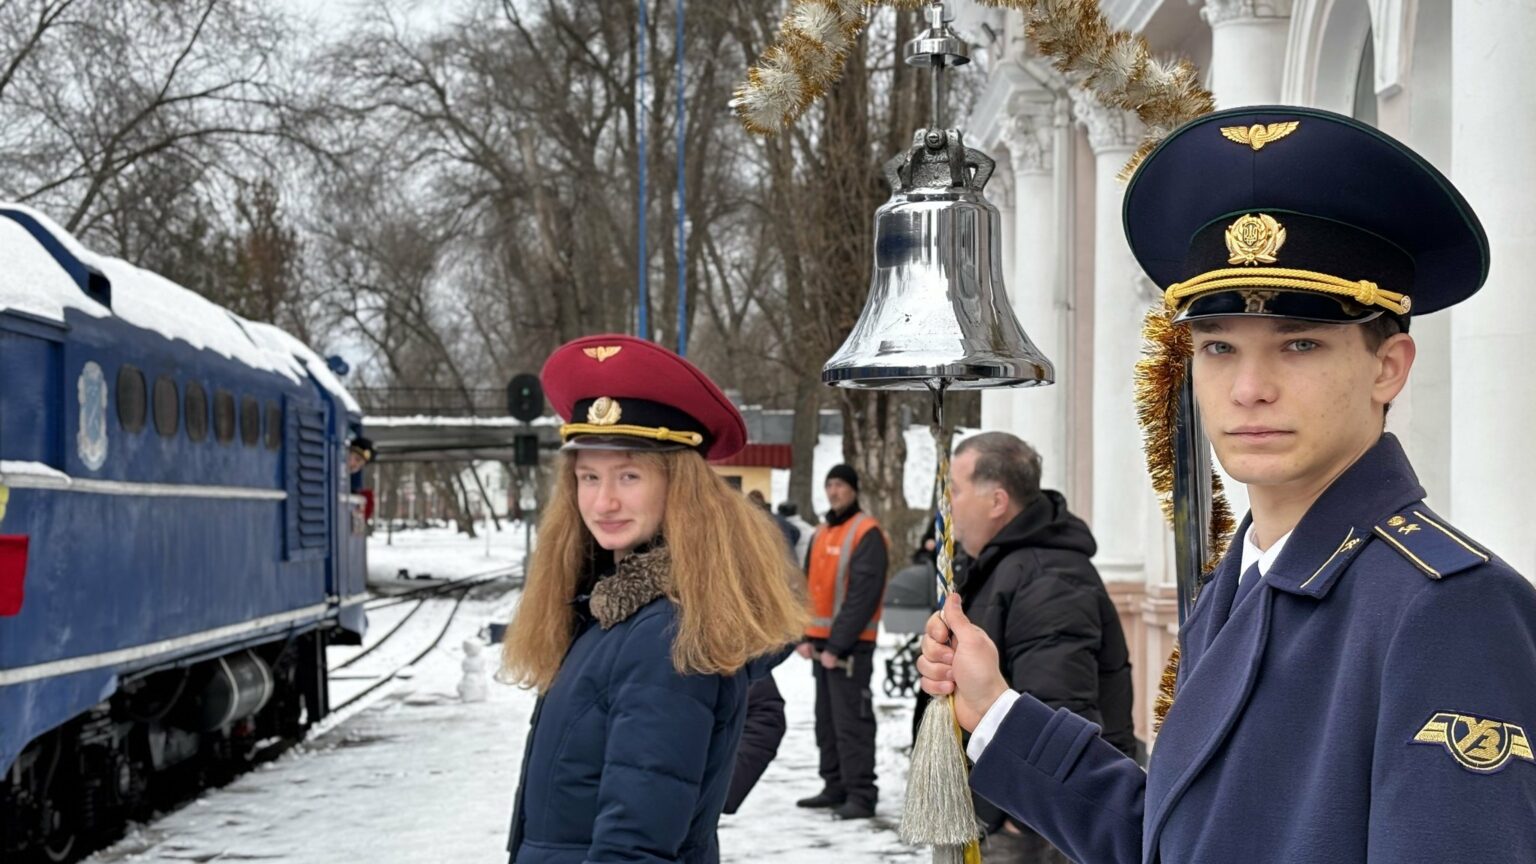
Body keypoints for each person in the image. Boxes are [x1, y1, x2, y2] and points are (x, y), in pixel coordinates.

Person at [917, 106, 1536, 863]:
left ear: (1388, 367)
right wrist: (996, 712)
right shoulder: (1248, 578)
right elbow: (1178, 841)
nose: (1248, 388)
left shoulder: (1446, 610)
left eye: (1300, 343)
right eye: (1216, 346)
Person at [500, 334, 807, 863]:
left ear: (678, 487)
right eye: (589, 477)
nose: (604, 500)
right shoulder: (609, 614)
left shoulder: (662, 634)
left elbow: (635, 845)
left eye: (629, 475)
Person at [947, 431, 1135, 862]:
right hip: (1006, 807)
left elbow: (1061, 706)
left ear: (997, 502)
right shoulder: (1004, 567)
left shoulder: (1047, 576)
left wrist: (1013, 822)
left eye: (955, 490)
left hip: (1027, 828)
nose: (948, 505)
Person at [794, 464, 889, 820]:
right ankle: (834, 786)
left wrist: (837, 645)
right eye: (829, 484)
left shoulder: (866, 533)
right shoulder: (821, 533)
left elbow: (862, 597)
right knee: (826, 722)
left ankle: (861, 795)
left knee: (852, 724)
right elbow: (808, 587)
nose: (834, 491)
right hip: (821, 647)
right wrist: (804, 635)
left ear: (854, 490)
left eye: (840, 485)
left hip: (849, 650)